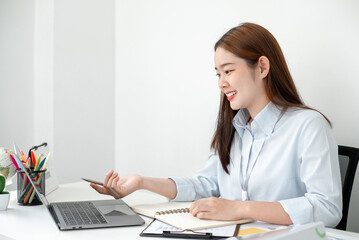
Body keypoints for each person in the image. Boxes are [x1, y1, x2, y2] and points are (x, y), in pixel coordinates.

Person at [90, 22, 342, 227]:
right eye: (218, 73)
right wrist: (141, 182)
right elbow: (206, 184)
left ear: (262, 67)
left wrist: (239, 208)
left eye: (228, 71)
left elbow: (327, 208)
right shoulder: (233, 128)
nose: (221, 83)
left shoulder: (308, 126)